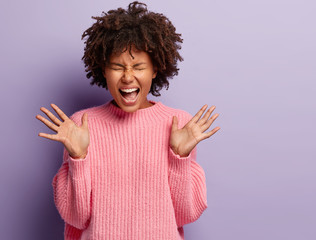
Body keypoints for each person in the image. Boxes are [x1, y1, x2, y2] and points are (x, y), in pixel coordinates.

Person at [35, 2, 220, 239]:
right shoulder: (81, 125)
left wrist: (179, 158)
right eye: (118, 67)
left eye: (139, 67)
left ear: (155, 69)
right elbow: (76, 218)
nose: (128, 77)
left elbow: (186, 215)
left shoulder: (179, 125)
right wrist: (78, 159)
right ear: (103, 69)